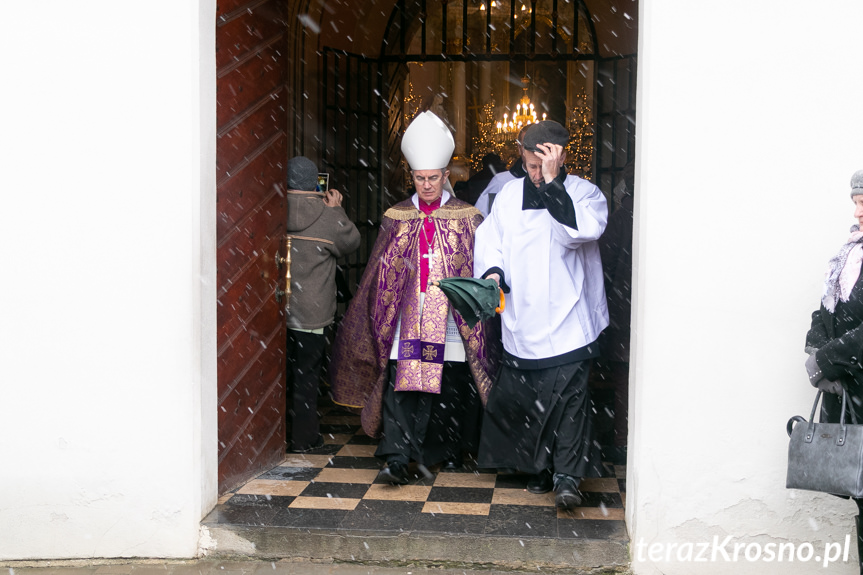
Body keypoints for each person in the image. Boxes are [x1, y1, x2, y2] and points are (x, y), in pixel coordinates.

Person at [329, 111, 493, 484]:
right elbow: (380, 271)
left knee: (449, 384)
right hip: (407, 315)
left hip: (450, 319)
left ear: (445, 176)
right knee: (403, 384)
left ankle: (447, 451)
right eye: (420, 178)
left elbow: (477, 264)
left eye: (433, 178)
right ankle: (397, 456)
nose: (426, 185)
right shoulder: (397, 216)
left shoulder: (468, 217)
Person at [473, 120, 608, 510]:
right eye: (530, 166)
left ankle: (567, 476)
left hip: (569, 319)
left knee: (569, 402)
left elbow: (577, 233)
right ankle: (539, 467)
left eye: (542, 166)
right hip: (523, 316)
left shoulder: (584, 193)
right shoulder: (508, 194)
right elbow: (491, 241)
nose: (534, 174)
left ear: (560, 156)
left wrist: (552, 185)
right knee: (530, 401)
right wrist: (494, 273)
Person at [804, 169, 863, 573]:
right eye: (857, 201)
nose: (860, 210)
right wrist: (814, 344)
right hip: (852, 392)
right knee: (862, 490)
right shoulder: (850, 250)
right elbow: (829, 305)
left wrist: (828, 359)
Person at [283, 156, 361, 453]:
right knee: (307, 374)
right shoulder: (327, 216)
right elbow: (351, 242)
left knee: (278, 374)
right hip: (312, 313)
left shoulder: (270, 208)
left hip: (276, 309)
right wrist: (337, 209)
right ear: (316, 181)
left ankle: (273, 435)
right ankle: (303, 437)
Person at [595, 160, 634, 465]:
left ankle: (622, 440)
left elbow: (602, 264)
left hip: (623, 309)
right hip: (637, 309)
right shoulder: (640, 217)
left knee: (624, 378)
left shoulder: (622, 218)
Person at [474, 125, 530, 217]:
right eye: (527, 146)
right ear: (519, 148)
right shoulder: (501, 181)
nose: (533, 152)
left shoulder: (555, 182)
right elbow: (479, 217)